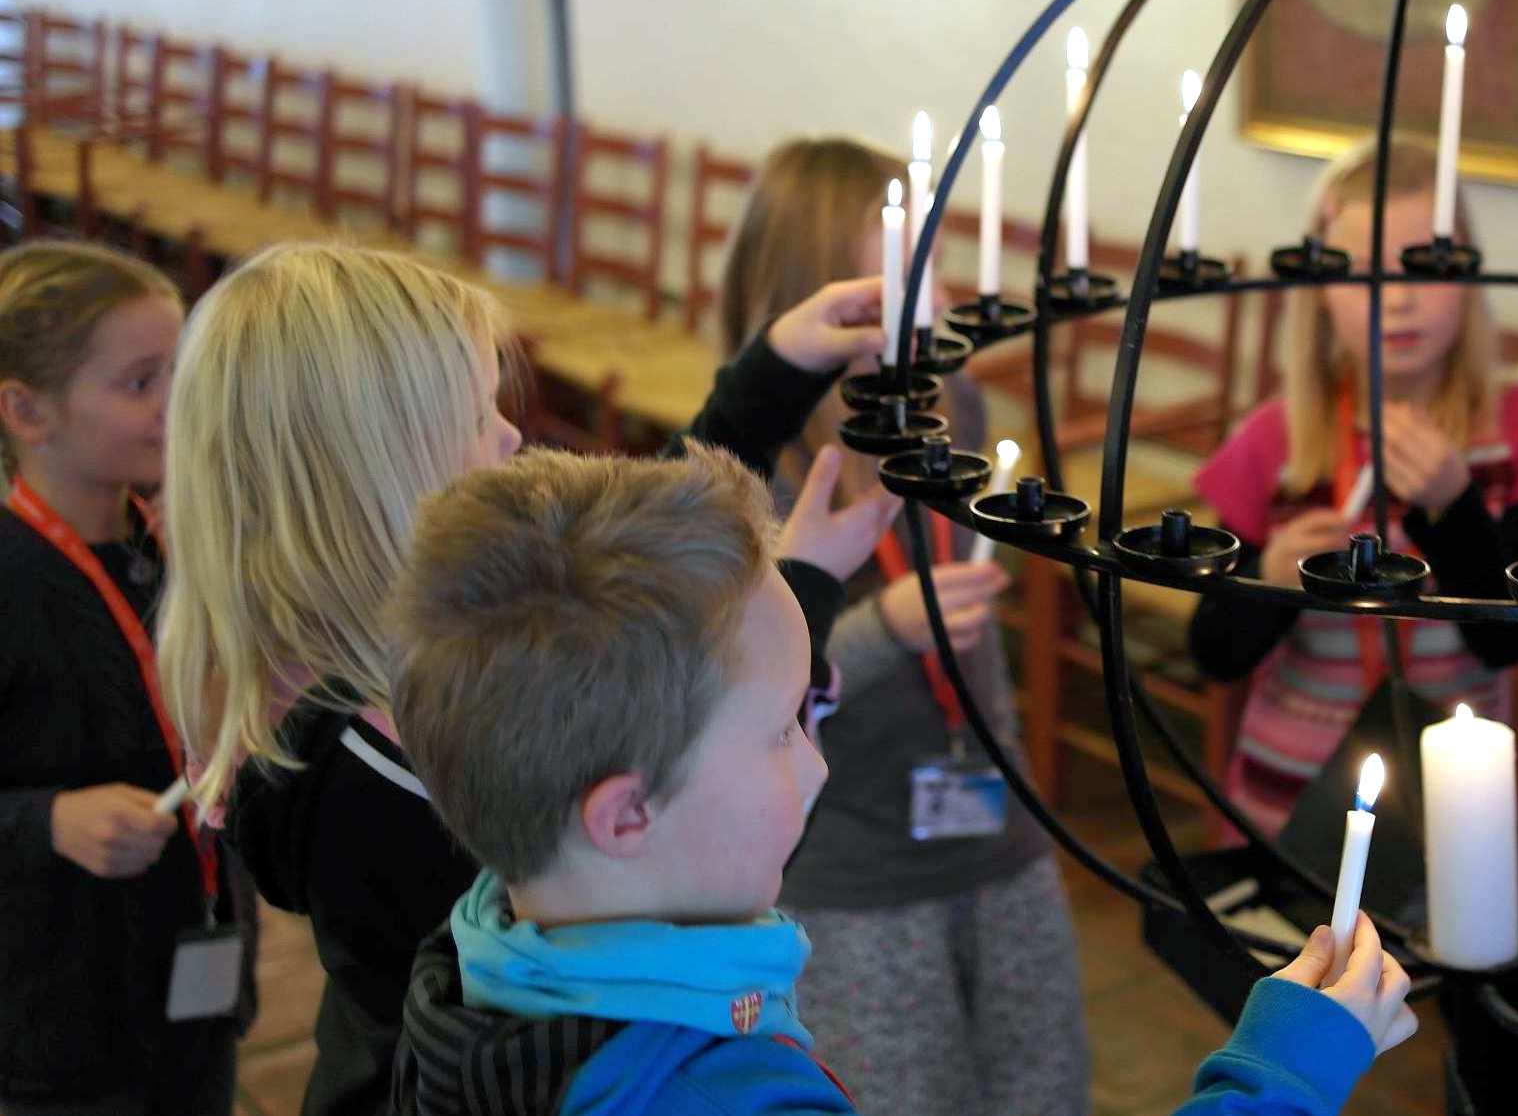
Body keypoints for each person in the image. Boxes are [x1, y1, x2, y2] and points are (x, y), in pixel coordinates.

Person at [385, 446, 1421, 1115]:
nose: (817, 752)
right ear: (626, 813)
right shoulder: (717, 1093)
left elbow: (693, 710)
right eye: (787, 725)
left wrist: (792, 598)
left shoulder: (483, 948)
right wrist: (1280, 1072)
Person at [154, 243, 898, 1116]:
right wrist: (793, 600)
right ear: (378, 462)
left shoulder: (386, 663)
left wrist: (766, 380)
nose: (511, 435)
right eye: (476, 416)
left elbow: (615, 573)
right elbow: (696, 830)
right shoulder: (372, 779)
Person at [719, 136, 1086, 1115]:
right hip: (853, 871)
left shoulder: (950, 404)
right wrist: (883, 622)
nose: (926, 293)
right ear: (814, 286)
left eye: (929, 261)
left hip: (993, 829)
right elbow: (737, 697)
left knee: (1043, 1084)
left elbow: (968, 637)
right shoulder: (748, 475)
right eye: (897, 266)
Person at [1189, 137, 1518, 836]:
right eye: (1363, 272)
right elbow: (1214, 654)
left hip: (1455, 809)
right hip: (1289, 796)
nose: (1399, 300)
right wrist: (1271, 577)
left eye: (1424, 265)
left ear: (1465, 274)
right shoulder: (1276, 444)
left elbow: (1507, 645)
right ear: (1319, 290)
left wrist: (1454, 506)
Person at [0, 241, 240, 1114]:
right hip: (63, 1030)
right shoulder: (14, 577)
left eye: (179, 374)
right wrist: (45, 820)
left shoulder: (167, 543)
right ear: (28, 410)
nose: (172, 408)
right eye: (139, 383)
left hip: (191, 980)